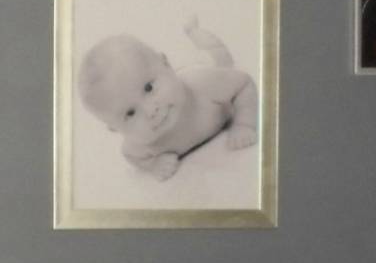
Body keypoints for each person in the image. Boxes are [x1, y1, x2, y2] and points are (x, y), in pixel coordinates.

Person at [77, 16, 258, 180]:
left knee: (216, 52)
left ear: (166, 63)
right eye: (130, 113)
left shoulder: (204, 84)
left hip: (210, 66)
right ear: (115, 128)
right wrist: (153, 165)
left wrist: (244, 124)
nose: (150, 111)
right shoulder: (138, 146)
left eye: (149, 88)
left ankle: (194, 31)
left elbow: (243, 84)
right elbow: (131, 157)